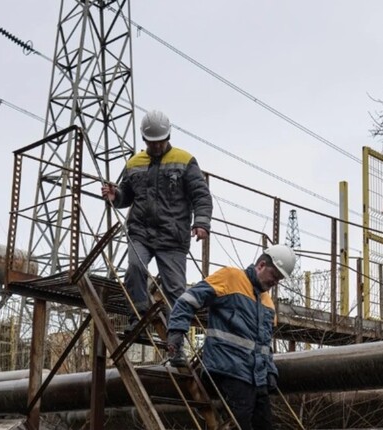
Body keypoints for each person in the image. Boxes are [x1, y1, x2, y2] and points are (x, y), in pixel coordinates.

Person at [101, 109, 212, 332]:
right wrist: (116, 196)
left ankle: (176, 339)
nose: (157, 147)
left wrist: (201, 222)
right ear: (145, 139)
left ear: (168, 137)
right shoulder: (134, 163)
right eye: (152, 143)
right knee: (134, 267)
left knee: (175, 289)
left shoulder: (185, 161)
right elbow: (126, 194)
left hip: (173, 237)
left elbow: (201, 194)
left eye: (160, 142)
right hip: (141, 231)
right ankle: (138, 317)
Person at [166, 244, 297, 430]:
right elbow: (187, 301)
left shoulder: (268, 303)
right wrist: (176, 333)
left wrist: (270, 372)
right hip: (228, 367)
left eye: (280, 279)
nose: (275, 282)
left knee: (265, 424)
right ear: (261, 265)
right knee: (240, 423)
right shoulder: (231, 278)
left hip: (255, 378)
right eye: (275, 276)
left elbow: (264, 345)